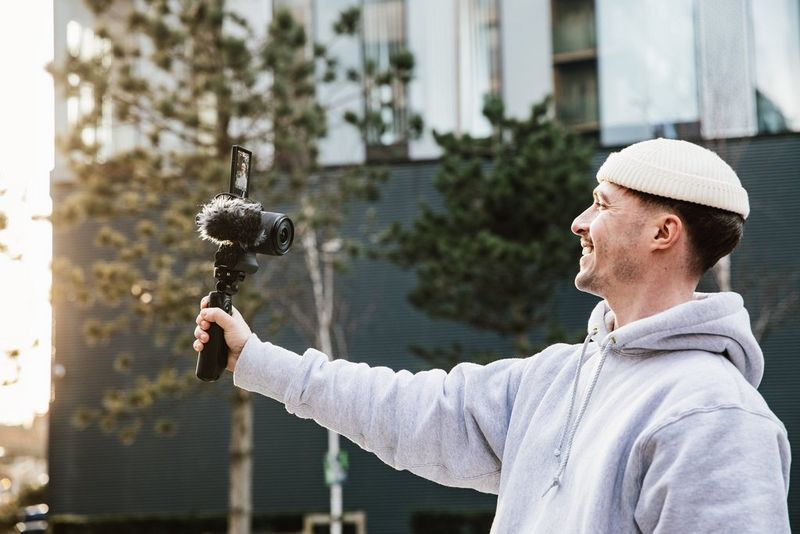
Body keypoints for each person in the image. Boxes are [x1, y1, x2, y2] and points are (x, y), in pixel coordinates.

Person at [193, 138, 791, 533]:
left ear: (664, 232)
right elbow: (408, 410)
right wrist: (256, 357)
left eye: (602, 205)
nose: (579, 222)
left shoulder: (715, 417)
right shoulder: (555, 378)